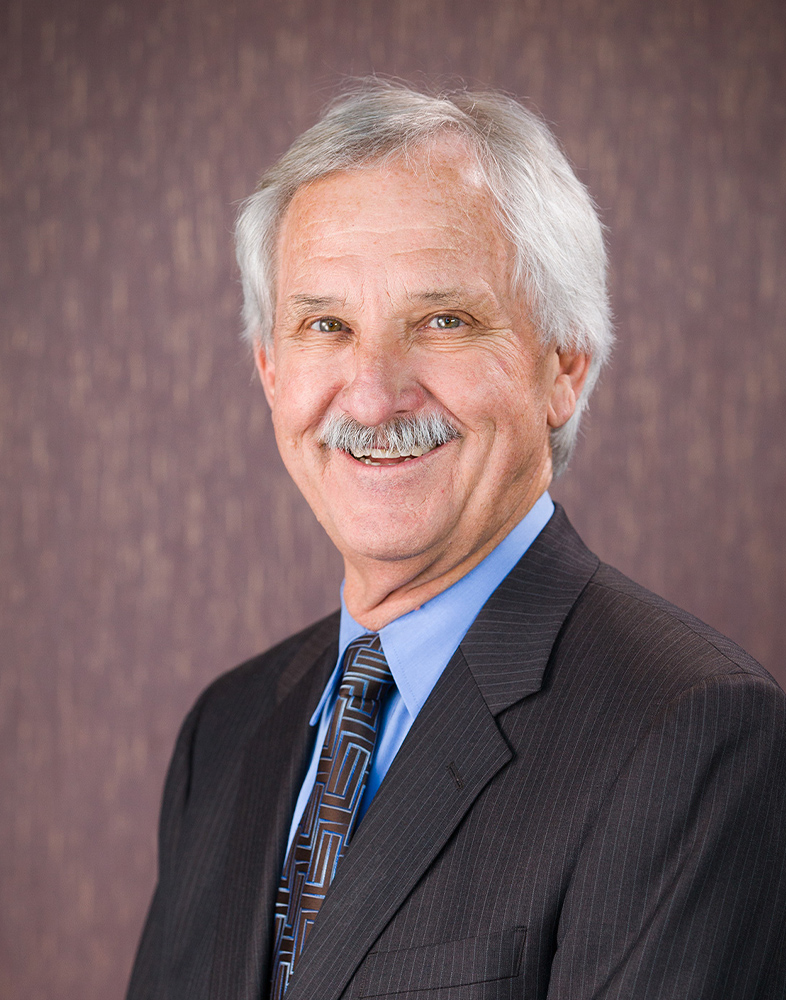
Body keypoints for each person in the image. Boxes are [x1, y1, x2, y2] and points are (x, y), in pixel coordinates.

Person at [127, 83, 786, 1000]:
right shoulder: (227, 731)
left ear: (563, 365)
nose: (371, 394)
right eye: (327, 325)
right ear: (270, 371)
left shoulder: (695, 735)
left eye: (444, 321)